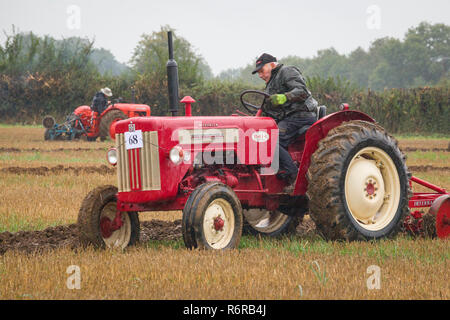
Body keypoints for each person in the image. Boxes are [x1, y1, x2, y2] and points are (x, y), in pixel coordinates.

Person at [252, 53, 318, 192]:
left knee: (270, 140)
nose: (260, 75)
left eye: (261, 70)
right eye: (258, 72)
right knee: (257, 136)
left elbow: (302, 91)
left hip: (301, 115)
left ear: (272, 64)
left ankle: (294, 176)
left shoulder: (286, 71)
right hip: (287, 118)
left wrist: (285, 97)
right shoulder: (271, 83)